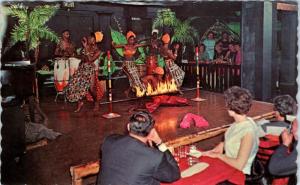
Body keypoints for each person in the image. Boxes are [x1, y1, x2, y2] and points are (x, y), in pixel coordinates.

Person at [96, 111, 180, 185]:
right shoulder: (154, 157)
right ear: (151, 132)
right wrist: (159, 142)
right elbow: (174, 175)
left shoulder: (109, 141)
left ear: (128, 126)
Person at [203, 86, 259, 176]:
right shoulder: (242, 122)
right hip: (229, 165)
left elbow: (239, 165)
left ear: (232, 109)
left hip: (240, 173)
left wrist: (219, 156)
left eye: (227, 105)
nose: (226, 107)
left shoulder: (248, 132)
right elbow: (230, 141)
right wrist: (219, 147)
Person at [65, 32, 104, 112]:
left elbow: (90, 59)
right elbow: (82, 57)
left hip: (89, 70)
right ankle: (80, 102)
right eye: (89, 37)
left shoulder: (98, 51)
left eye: (90, 38)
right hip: (82, 67)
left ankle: (96, 102)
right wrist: (74, 55)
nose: (88, 39)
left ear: (94, 40)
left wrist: (86, 47)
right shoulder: (85, 47)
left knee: (91, 89)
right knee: (74, 84)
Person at [112, 31, 147, 97]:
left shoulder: (135, 46)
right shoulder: (124, 46)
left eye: (133, 39)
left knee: (134, 78)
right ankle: (141, 90)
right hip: (127, 64)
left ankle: (128, 91)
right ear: (127, 39)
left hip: (133, 64)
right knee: (133, 78)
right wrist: (114, 44)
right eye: (130, 39)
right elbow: (115, 46)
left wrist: (151, 43)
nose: (132, 41)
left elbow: (143, 44)